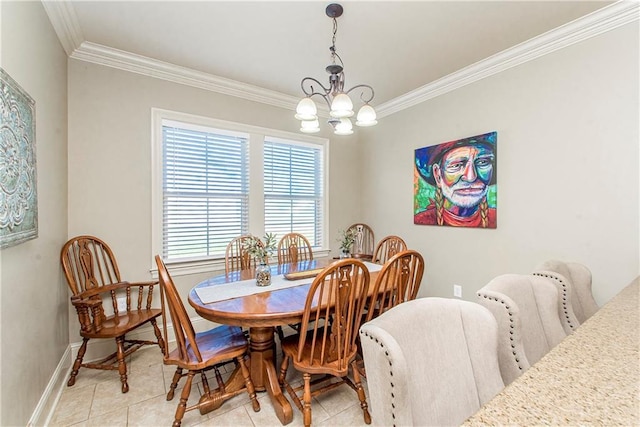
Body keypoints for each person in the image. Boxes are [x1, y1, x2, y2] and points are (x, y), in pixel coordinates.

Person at [414, 132, 497, 228]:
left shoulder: (495, 217)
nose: (471, 177)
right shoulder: (422, 220)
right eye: (456, 165)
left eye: (483, 162)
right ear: (438, 175)